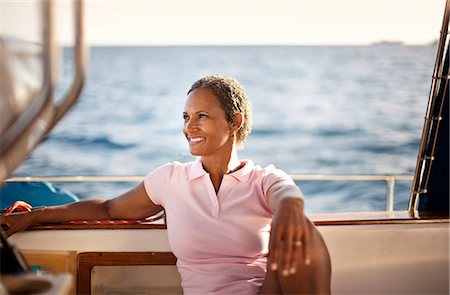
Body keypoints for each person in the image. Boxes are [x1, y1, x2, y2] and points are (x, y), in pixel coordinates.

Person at [1, 75, 331, 294]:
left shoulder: (261, 179)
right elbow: (109, 208)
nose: (190, 126)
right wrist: (35, 215)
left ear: (235, 122)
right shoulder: (172, 179)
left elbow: (287, 192)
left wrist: (289, 208)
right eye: (186, 117)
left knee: (304, 234)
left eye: (202, 116)